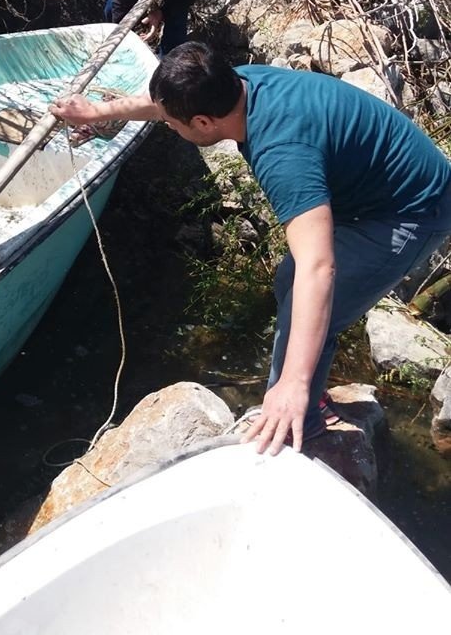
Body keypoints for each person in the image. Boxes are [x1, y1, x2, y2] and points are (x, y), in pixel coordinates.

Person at [49, 42, 451, 456]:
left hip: (410, 210)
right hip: (370, 191)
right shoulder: (232, 83)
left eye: (175, 124)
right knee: (287, 283)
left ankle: (301, 429)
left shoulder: (282, 154)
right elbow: (165, 106)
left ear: (204, 123)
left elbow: (319, 267)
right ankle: (308, 394)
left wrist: (292, 383)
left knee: (309, 305)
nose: (169, 127)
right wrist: (97, 113)